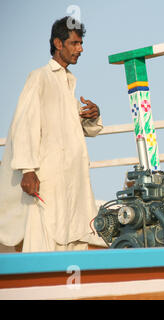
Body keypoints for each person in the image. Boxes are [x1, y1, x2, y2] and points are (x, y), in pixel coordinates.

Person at [0, 16, 103, 252]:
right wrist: (27, 170)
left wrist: (93, 115)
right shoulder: (39, 78)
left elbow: (85, 129)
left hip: (74, 182)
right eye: (75, 43)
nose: (81, 49)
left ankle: (72, 286)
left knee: (76, 235)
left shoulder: (67, 83)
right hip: (48, 180)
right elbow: (23, 125)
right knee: (44, 238)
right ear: (58, 43)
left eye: (80, 43)